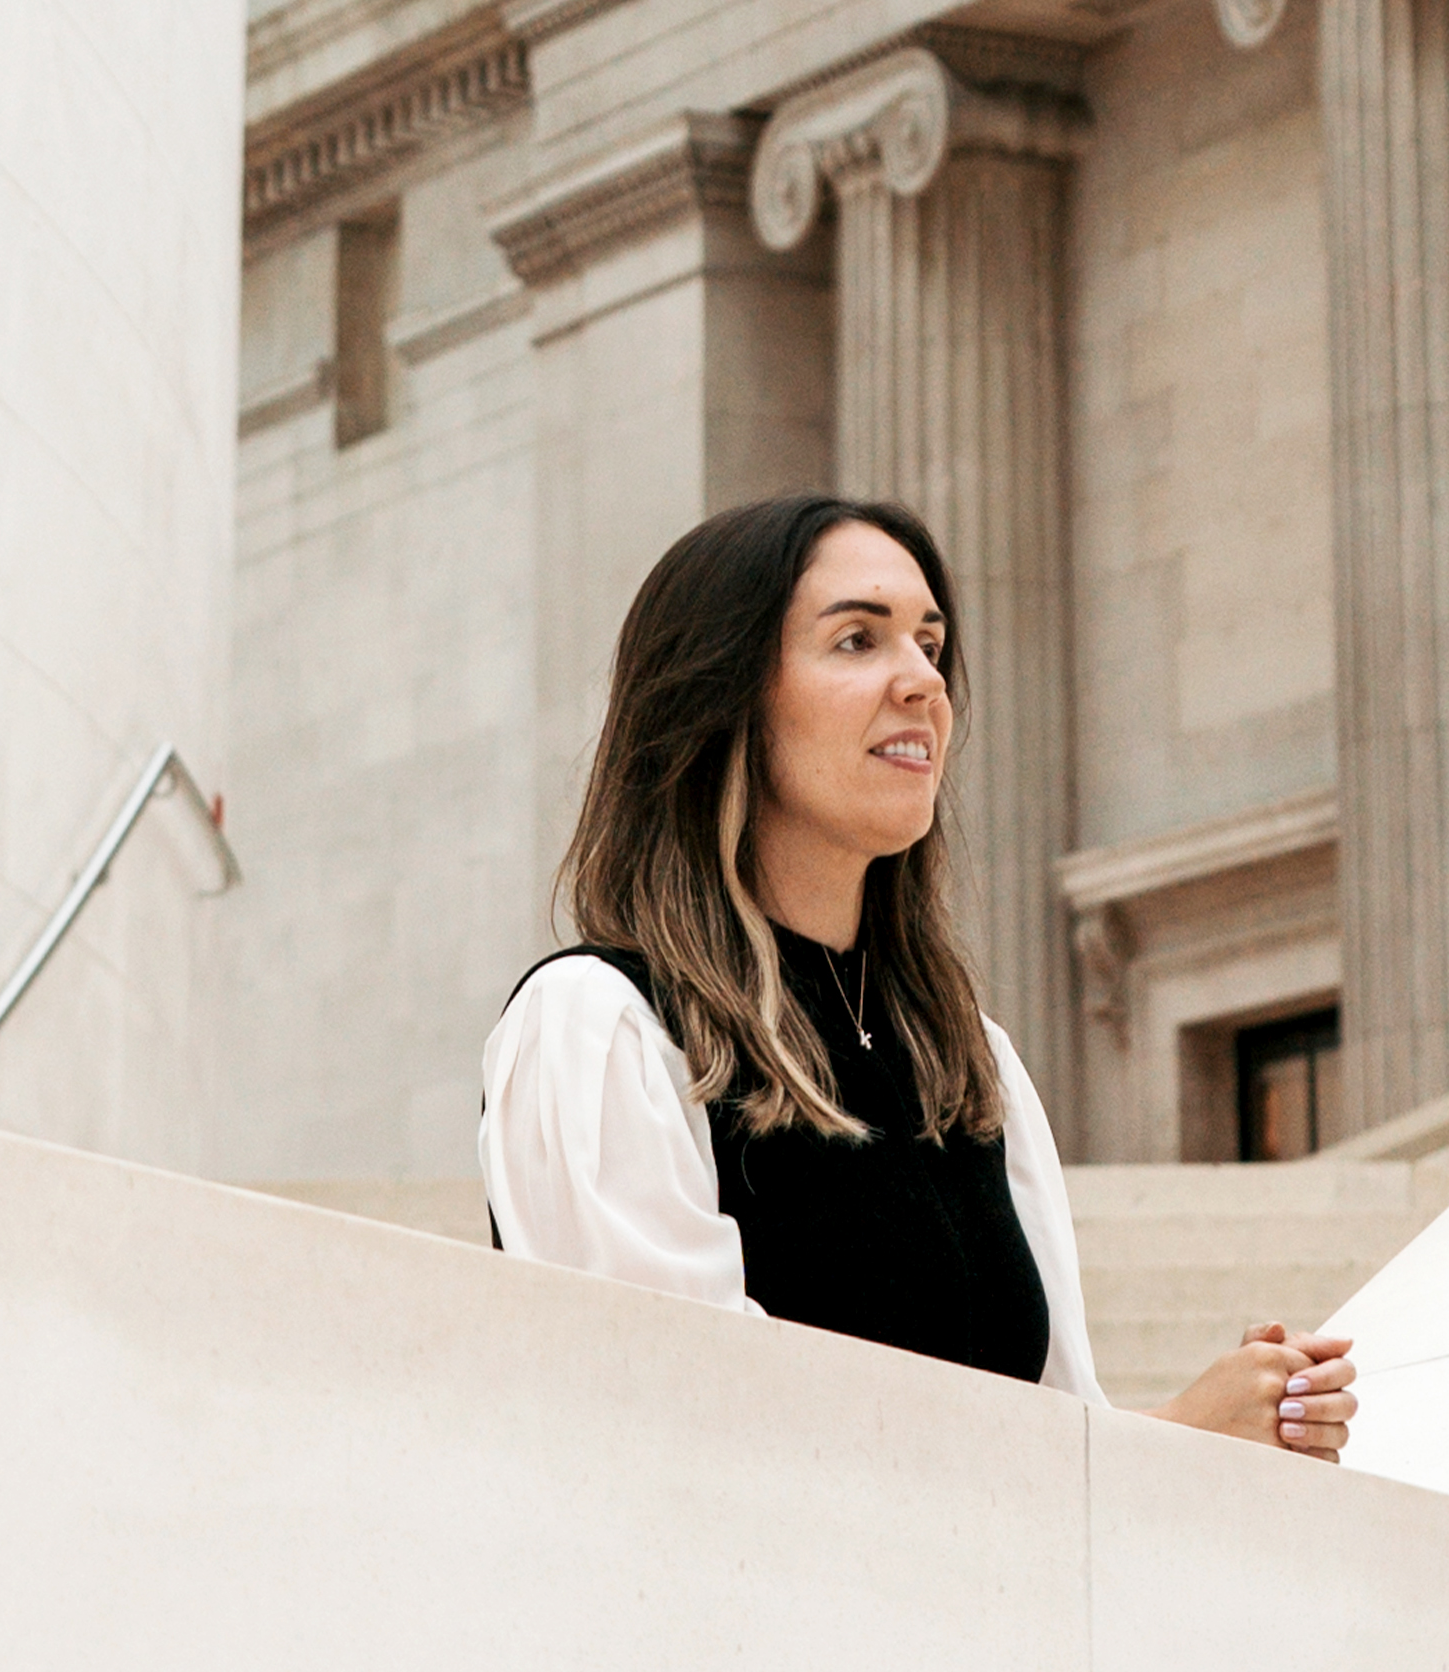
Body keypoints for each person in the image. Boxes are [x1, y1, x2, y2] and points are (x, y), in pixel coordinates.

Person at [479, 494, 1356, 1458]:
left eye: (930, 645)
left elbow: (1066, 1441)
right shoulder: (601, 1027)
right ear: (721, 697)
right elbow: (698, 1436)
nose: (922, 683)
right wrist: (1176, 1433)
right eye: (858, 640)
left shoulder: (974, 1061)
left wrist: (1220, 1437)